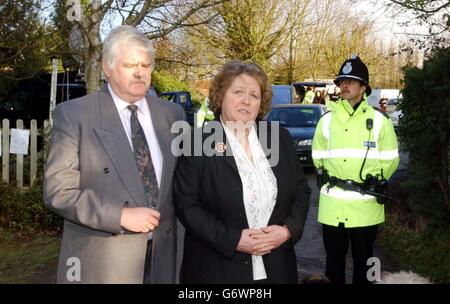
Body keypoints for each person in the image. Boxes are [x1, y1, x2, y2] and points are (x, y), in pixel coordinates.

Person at [43, 25, 185, 283]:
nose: (140, 73)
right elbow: (58, 192)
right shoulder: (75, 115)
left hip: (164, 261)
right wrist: (119, 215)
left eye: (146, 65)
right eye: (130, 65)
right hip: (104, 264)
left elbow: (184, 184)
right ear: (107, 69)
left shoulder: (172, 114)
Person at [173, 60, 311, 284]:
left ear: (261, 103)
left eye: (254, 95)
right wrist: (233, 240)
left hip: (277, 268)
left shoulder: (279, 138)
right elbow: (186, 204)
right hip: (217, 270)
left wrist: (287, 231)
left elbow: (301, 190)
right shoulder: (196, 142)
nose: (246, 100)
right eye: (238, 92)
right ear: (221, 95)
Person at [312, 55, 399, 284]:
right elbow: (318, 157)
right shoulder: (326, 120)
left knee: (365, 263)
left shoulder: (380, 121)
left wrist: (374, 179)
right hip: (332, 206)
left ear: (363, 88)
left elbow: (390, 159)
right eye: (342, 81)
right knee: (334, 264)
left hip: (365, 204)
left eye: (351, 81)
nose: (345, 85)